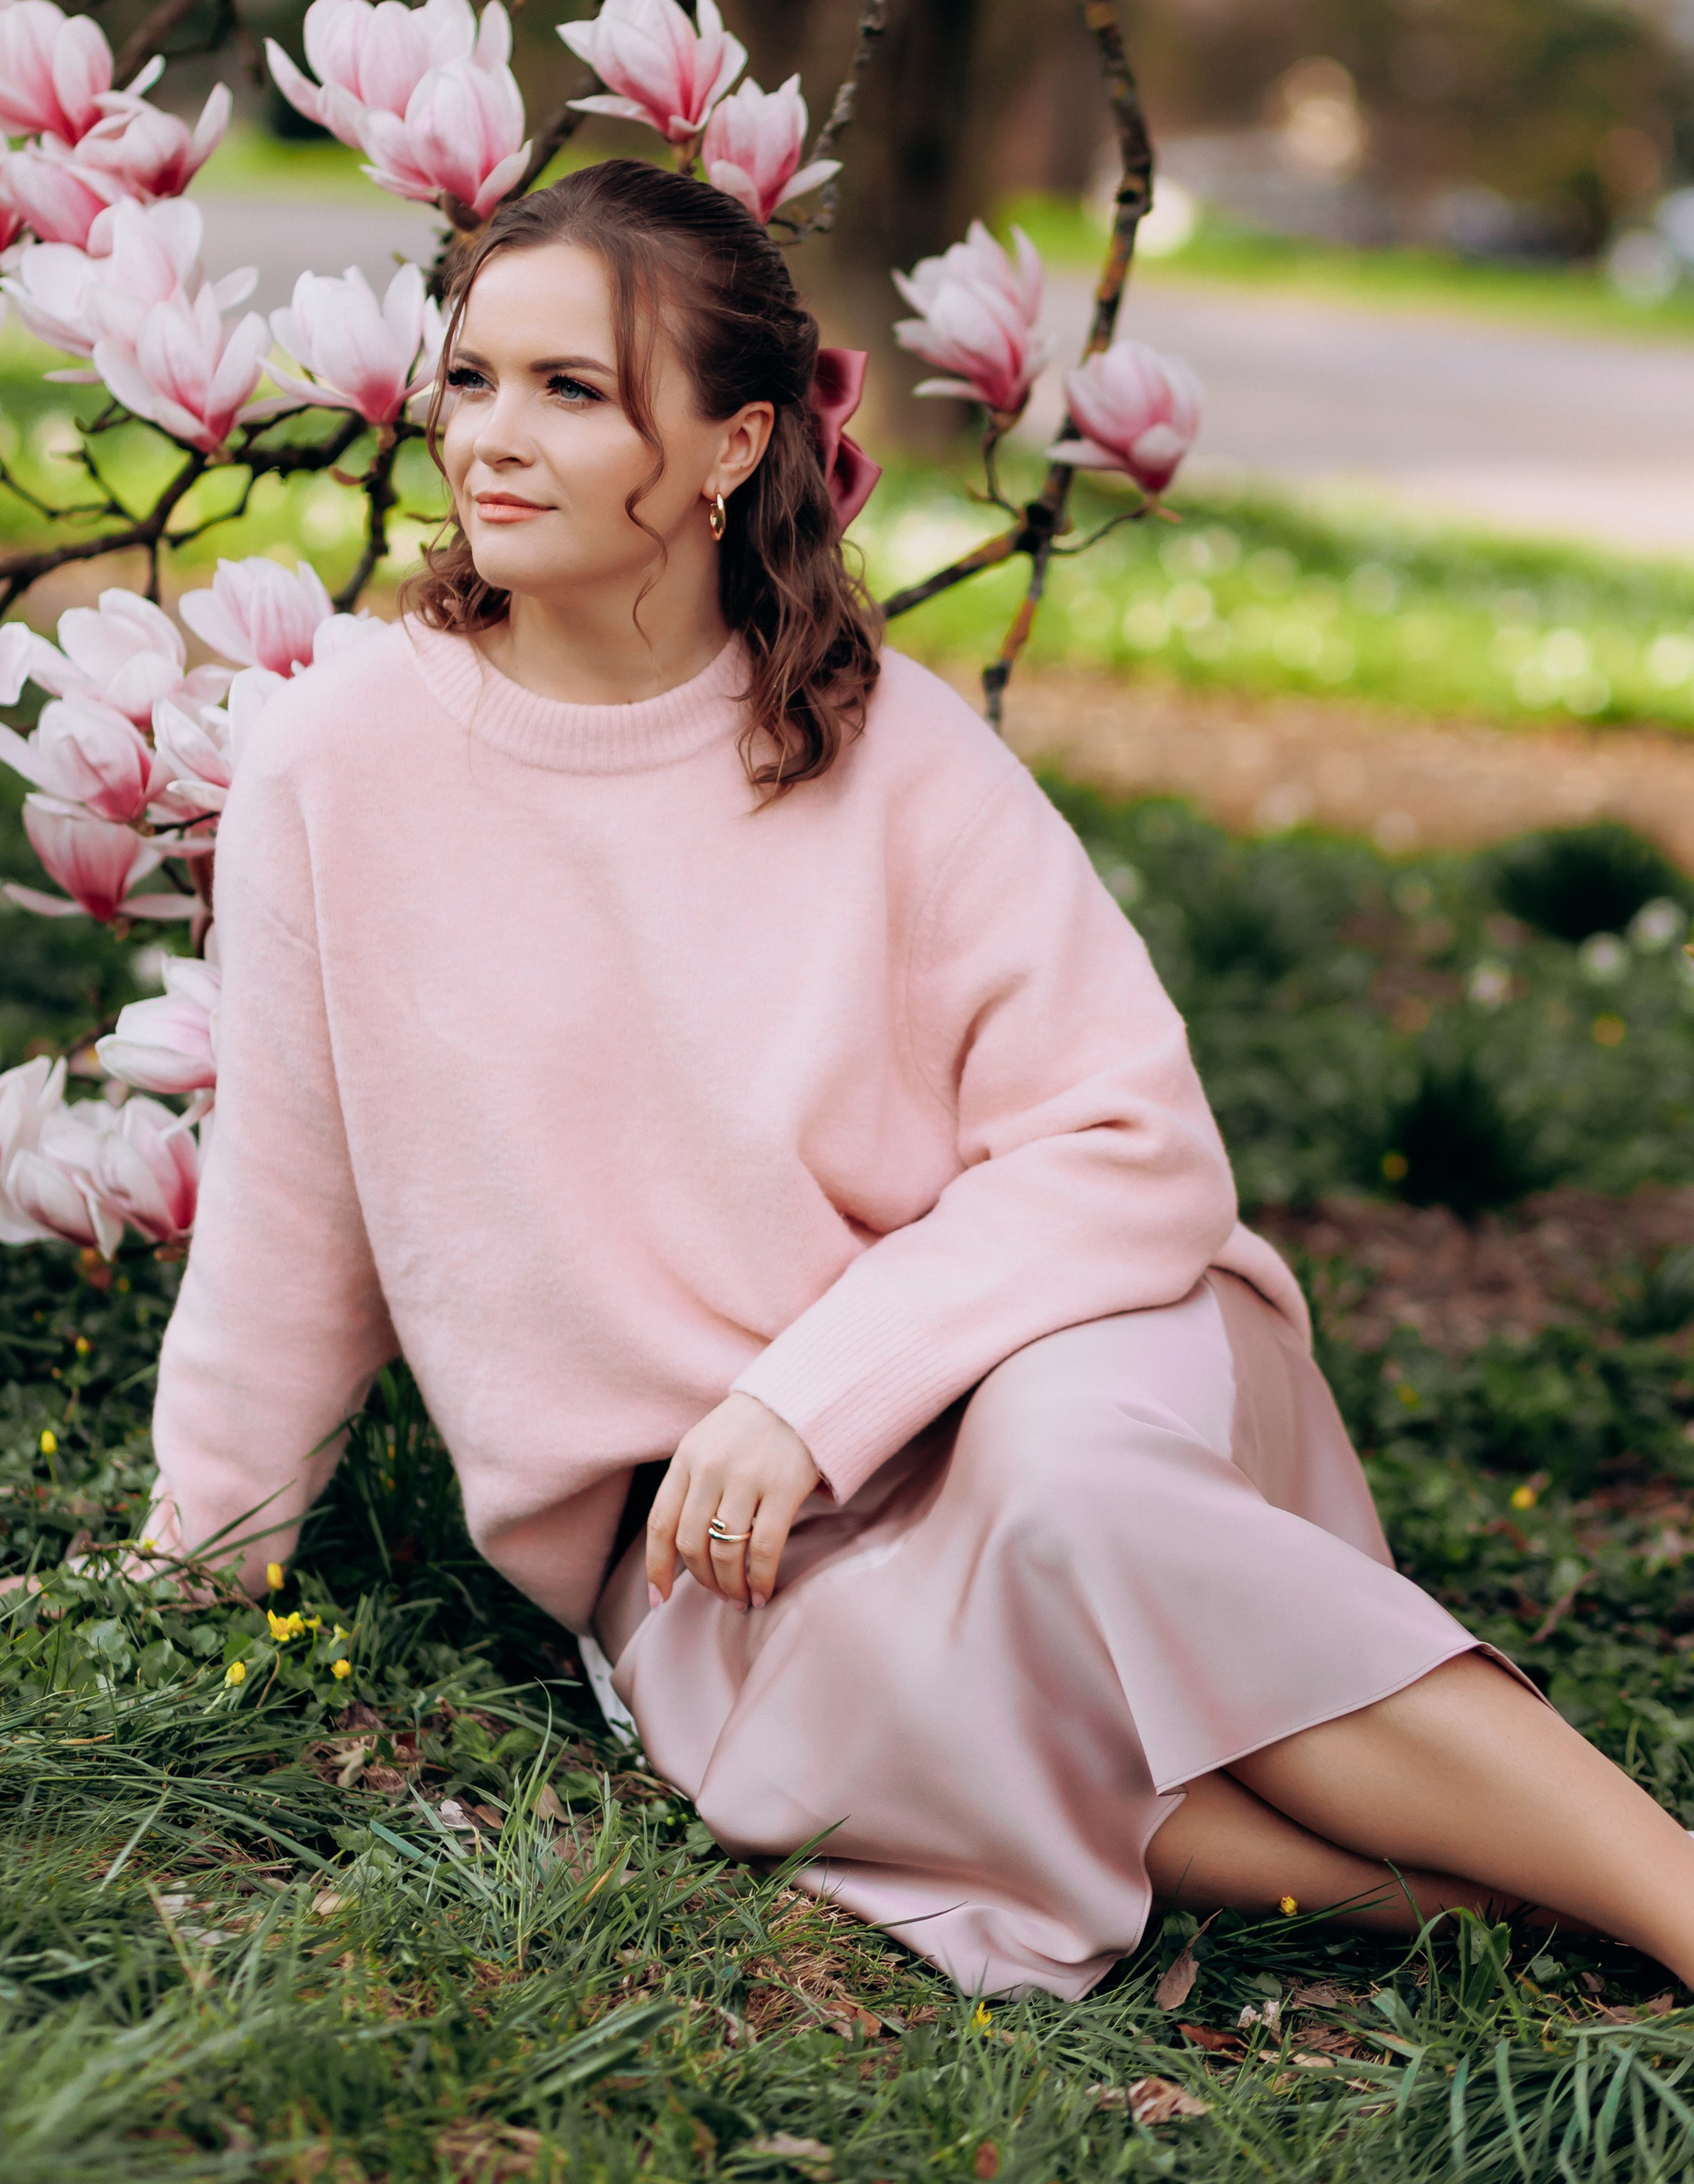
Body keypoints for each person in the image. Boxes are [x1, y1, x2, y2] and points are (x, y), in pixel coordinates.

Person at [143, 156, 1694, 2001]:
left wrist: (814, 1394)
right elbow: (285, 1208)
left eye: (570, 390)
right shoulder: (343, 758)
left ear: (727, 449)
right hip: (710, 1536)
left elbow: (1131, 1151)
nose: (490, 436)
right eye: (471, 378)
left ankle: (1666, 1901)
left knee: (1064, 1499)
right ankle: (1508, 1905)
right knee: (933, 1716)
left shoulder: (883, 746)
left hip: (1039, 1360)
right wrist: (196, 1558)